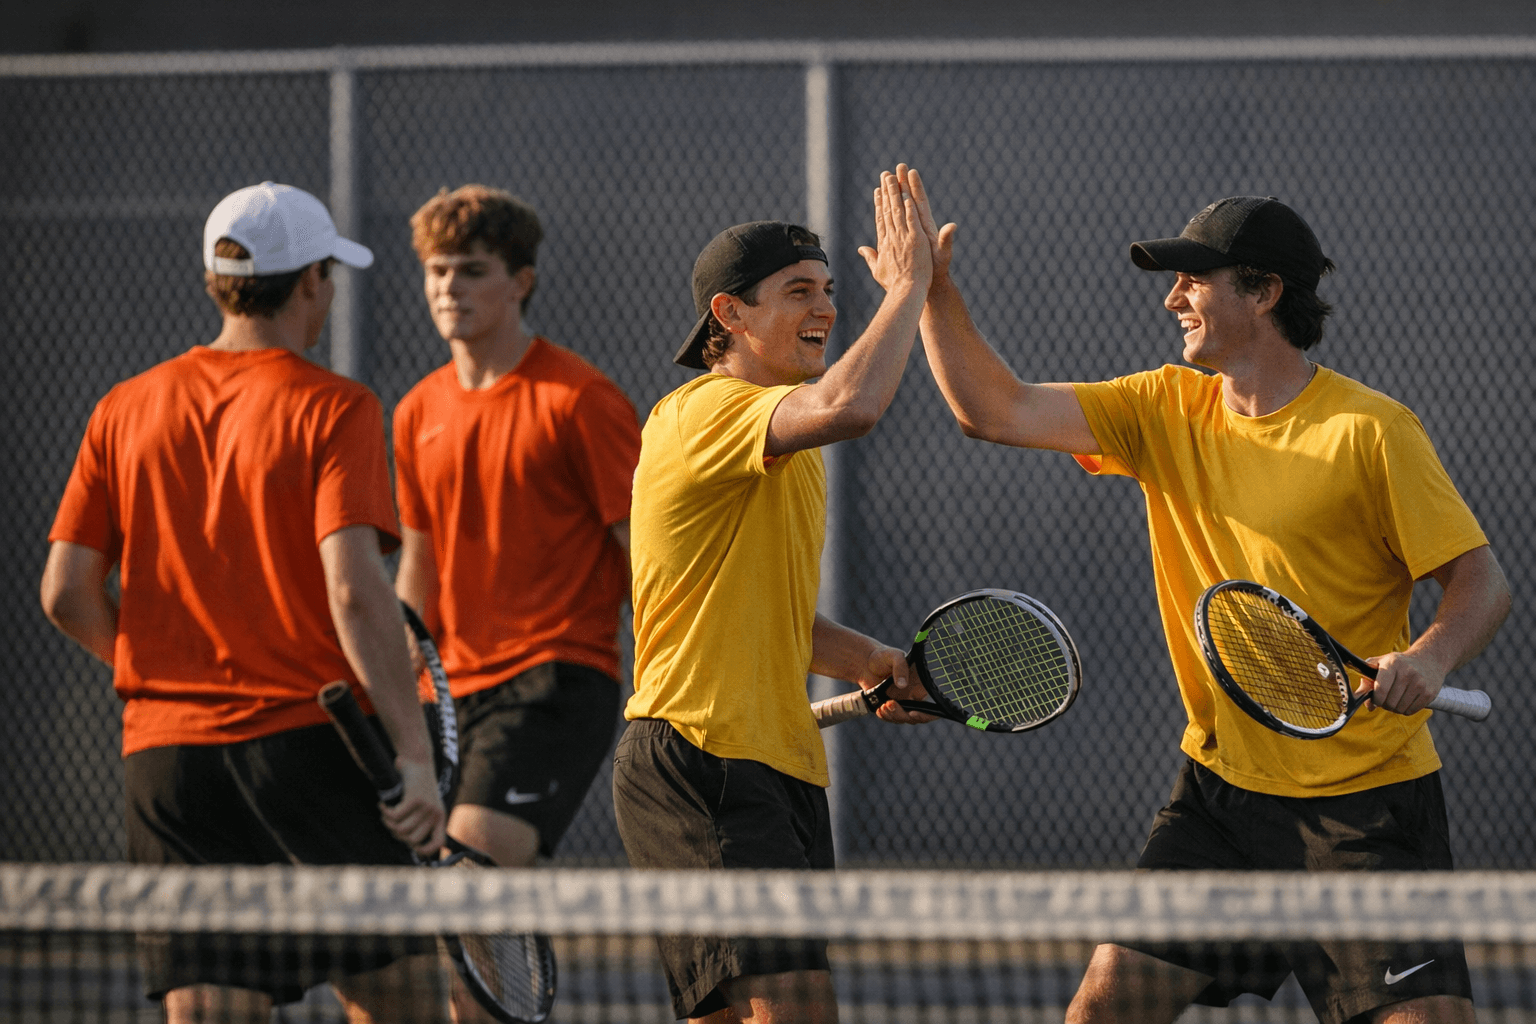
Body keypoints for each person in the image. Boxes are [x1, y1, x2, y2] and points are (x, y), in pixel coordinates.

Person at [908, 175, 1511, 1024]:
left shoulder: (1371, 431)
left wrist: (1431, 655)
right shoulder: (1162, 408)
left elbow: (1480, 580)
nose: (1173, 299)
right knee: (1102, 1009)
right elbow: (992, 409)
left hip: (1367, 810)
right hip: (1222, 798)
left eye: (1196, 279)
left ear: (1263, 292)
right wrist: (933, 292)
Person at [39, 181, 448, 1023]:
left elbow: (66, 594)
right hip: (308, 748)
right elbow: (355, 590)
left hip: (167, 765)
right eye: (330, 274)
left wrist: (160, 673)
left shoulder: (123, 407)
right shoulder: (336, 407)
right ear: (309, 283)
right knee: (402, 998)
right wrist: (412, 755)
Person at [613, 168, 938, 1024]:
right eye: (799, 292)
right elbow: (855, 401)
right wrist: (909, 288)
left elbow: (775, 617)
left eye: (830, 290)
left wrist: (870, 661)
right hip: (704, 757)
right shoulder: (704, 412)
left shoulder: (788, 448)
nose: (826, 308)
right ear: (730, 315)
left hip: (774, 765)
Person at [394, 184, 640, 880]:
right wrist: (397, 682)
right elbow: (419, 563)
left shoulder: (579, 400)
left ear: (520, 282)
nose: (448, 287)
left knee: (471, 870)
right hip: (445, 698)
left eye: (471, 270)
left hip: (552, 680)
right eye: (437, 270)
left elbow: (647, 555)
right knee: (451, 919)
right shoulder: (415, 412)